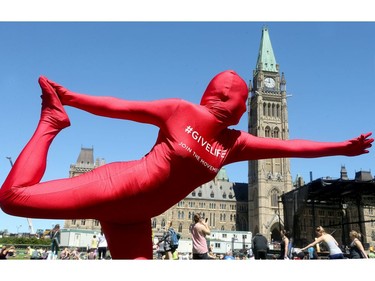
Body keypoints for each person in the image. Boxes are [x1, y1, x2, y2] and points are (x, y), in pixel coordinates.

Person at [0, 71, 372, 260]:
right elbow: (119, 107)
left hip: (135, 216)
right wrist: (68, 99)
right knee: (13, 198)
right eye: (244, 100)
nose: (245, 108)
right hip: (117, 185)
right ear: (226, 97)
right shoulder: (180, 110)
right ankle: (51, 122)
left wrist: (342, 147)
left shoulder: (234, 143)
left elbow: (292, 145)